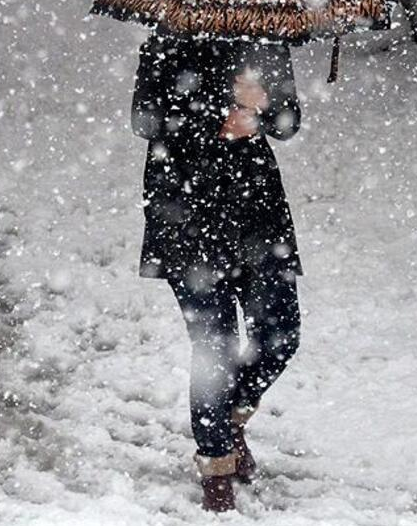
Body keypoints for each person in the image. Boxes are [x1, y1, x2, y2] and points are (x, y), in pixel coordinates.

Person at [129, 28, 303, 512]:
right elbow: (146, 120)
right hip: (186, 212)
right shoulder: (166, 42)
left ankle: (226, 420)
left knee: (281, 333)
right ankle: (216, 469)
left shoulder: (266, 40)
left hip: (257, 215)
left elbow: (289, 123)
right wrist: (220, 113)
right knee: (215, 348)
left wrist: (263, 108)